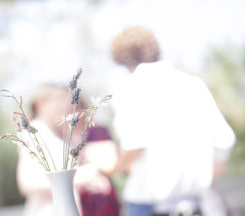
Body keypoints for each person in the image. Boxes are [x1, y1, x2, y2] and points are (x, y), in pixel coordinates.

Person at [101, 26, 236, 216]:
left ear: (121, 59)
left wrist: (114, 167)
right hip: (198, 204)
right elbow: (224, 139)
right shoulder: (192, 83)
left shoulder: (129, 88)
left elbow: (133, 145)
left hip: (150, 206)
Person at [16, 84, 120, 216]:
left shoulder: (53, 134)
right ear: (40, 104)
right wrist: (82, 176)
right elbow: (28, 183)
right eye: (60, 101)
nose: (67, 107)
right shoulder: (35, 132)